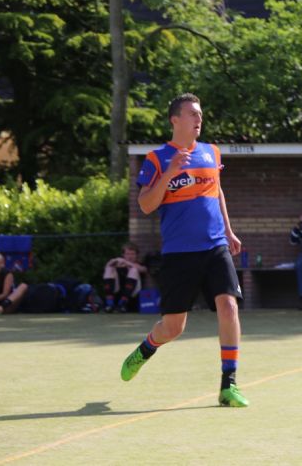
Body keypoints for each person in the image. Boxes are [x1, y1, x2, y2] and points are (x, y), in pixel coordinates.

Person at [119, 92, 248, 407]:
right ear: (175, 120)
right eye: (192, 113)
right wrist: (170, 172)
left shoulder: (211, 152)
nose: (198, 118)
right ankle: (146, 349)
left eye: (200, 113)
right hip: (179, 253)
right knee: (173, 328)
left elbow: (217, 191)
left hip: (215, 246)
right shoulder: (157, 158)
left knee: (229, 307)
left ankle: (228, 384)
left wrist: (228, 230)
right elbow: (146, 205)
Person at [102, 242, 147, 313]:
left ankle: (123, 303)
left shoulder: (139, 264)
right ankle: (109, 304)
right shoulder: (118, 264)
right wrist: (113, 261)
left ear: (136, 255)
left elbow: (143, 269)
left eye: (132, 254)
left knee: (134, 270)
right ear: (123, 255)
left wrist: (127, 263)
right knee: (109, 268)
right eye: (127, 254)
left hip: (132, 295)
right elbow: (106, 269)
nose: (130, 256)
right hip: (116, 291)